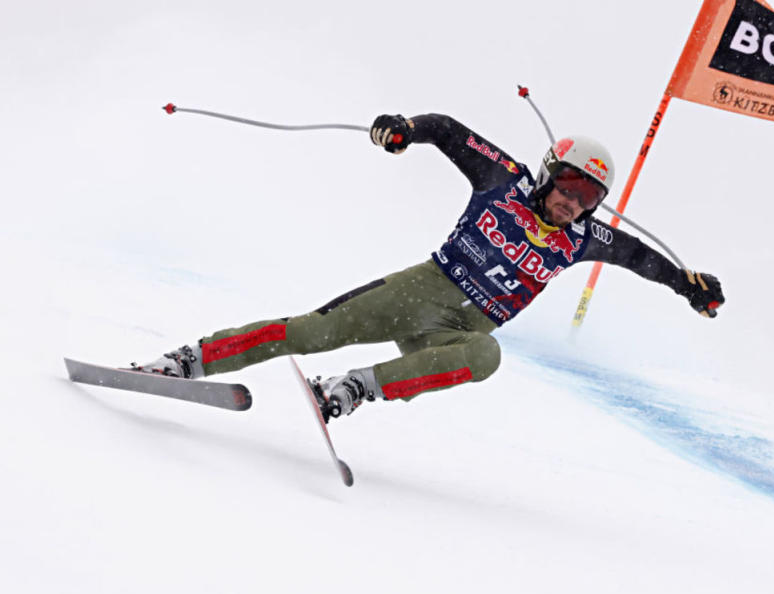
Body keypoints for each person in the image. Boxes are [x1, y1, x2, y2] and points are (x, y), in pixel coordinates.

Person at [134, 113, 725, 420]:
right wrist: (405, 131)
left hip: (460, 331)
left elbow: (643, 259)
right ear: (550, 172)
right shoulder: (505, 181)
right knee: (312, 332)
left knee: (487, 358)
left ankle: (355, 388)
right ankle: (188, 360)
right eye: (570, 183)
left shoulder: (583, 238)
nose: (574, 200)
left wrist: (687, 286)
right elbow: (446, 131)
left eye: (590, 195)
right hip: (421, 290)